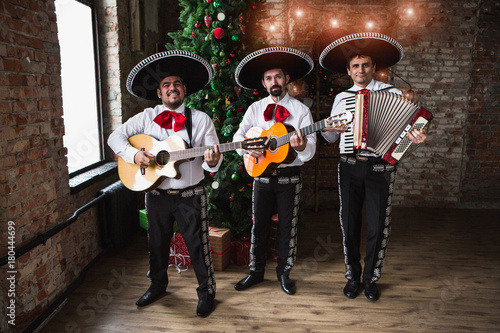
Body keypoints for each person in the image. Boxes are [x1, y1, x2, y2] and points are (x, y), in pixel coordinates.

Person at [108, 51, 221, 317]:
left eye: (177, 84)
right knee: (157, 244)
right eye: (167, 85)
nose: (173, 88)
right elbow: (115, 137)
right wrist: (135, 155)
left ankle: (207, 292)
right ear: (159, 92)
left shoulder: (201, 120)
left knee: (198, 246)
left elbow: (211, 163)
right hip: (156, 193)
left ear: (185, 90)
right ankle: (157, 286)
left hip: (190, 195)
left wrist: (213, 160)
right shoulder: (146, 118)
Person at [318, 31, 428, 301]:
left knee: (378, 226)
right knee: (349, 224)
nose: (360, 70)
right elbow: (331, 137)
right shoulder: (341, 98)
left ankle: (371, 278)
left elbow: (412, 126)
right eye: (355, 65)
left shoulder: (393, 94)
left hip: (381, 167)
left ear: (374, 67)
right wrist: (328, 129)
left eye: (365, 64)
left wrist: (416, 138)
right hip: (349, 165)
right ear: (348, 70)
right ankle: (352, 278)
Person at [232, 47, 317, 295]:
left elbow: (309, 151)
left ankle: (283, 274)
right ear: (263, 83)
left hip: (290, 177)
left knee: (288, 229)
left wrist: (301, 147)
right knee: (258, 226)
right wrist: (247, 151)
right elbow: (239, 136)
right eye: (269, 78)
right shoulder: (255, 109)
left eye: (278, 77)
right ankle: (256, 272)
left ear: (287, 79)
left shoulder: (302, 111)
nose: (274, 82)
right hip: (261, 176)